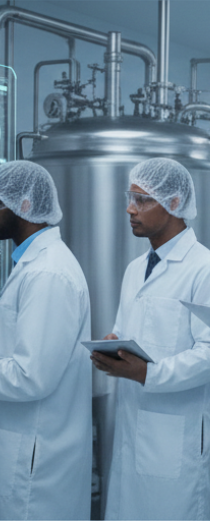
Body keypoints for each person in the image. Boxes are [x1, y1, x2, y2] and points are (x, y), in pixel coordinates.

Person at [90, 158, 210, 520]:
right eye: (130, 198)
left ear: (174, 203)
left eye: (142, 200)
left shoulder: (207, 271)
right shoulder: (135, 269)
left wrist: (147, 373)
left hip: (175, 438)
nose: (130, 209)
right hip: (131, 426)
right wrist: (114, 344)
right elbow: (127, 330)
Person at [0, 161, 92, 520]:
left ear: (23, 206)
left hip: (37, 460)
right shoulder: (32, 265)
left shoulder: (48, 273)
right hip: (28, 448)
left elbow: (32, 376)